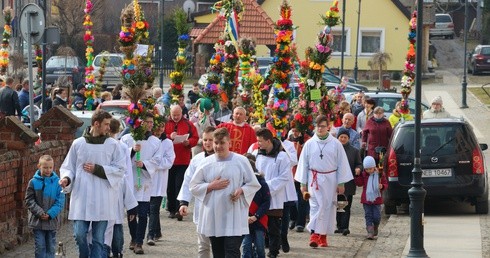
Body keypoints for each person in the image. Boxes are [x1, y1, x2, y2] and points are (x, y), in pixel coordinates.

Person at [59, 109, 126, 258]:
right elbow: (69, 167)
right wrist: (66, 179)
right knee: (79, 235)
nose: (109, 127)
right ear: (96, 124)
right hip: (82, 195)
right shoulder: (79, 143)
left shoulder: (112, 145)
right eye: (106, 124)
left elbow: (120, 169)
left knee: (98, 239)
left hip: (103, 197)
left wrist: (98, 169)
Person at [189, 127, 261, 258]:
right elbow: (193, 186)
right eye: (216, 143)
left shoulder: (241, 161)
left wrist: (242, 190)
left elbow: (253, 184)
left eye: (222, 143)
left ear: (229, 143)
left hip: (234, 214)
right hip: (214, 215)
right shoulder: (206, 163)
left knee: (232, 251)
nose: (218, 146)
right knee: (218, 253)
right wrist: (210, 186)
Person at [294, 115, 353, 248]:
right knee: (315, 206)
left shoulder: (336, 144)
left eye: (322, 126)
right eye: (318, 126)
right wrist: (303, 184)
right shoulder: (309, 144)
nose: (320, 129)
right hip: (313, 179)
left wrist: (341, 183)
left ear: (328, 127)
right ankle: (314, 235)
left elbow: (341, 164)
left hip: (330, 180)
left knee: (327, 207)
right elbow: (303, 164)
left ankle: (323, 236)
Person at [120, 112, 164, 254]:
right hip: (130, 180)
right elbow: (120, 156)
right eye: (147, 121)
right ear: (140, 122)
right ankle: (134, 237)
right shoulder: (127, 139)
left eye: (152, 122)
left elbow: (157, 160)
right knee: (132, 213)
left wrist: (144, 164)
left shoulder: (155, 142)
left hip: (145, 181)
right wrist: (131, 151)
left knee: (143, 214)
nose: (150, 124)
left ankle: (139, 242)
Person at [178, 126, 216, 258]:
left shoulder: (225, 159)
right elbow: (188, 180)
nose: (207, 143)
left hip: (220, 208)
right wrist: (184, 202)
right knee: (203, 245)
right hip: (202, 207)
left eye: (211, 139)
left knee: (218, 246)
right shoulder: (197, 159)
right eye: (205, 140)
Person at [254, 128, 291, 258]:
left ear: (268, 141)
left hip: (274, 196)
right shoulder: (257, 154)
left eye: (260, 141)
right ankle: (259, 248)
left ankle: (274, 251)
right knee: (258, 225)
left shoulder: (282, 156)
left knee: (273, 227)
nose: (258, 144)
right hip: (259, 196)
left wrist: (266, 186)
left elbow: (284, 177)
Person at [105, 118, 138, 258]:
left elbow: (125, 170)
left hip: (118, 184)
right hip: (103, 204)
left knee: (117, 239)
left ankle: (117, 253)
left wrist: (131, 207)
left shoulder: (121, 147)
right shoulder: (104, 147)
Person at [25, 155, 65, 258]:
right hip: (37, 221)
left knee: (51, 246)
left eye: (50, 167)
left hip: (52, 221)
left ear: (53, 167)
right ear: (39, 166)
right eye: (45, 167)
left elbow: (60, 200)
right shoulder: (33, 182)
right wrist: (40, 212)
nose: (48, 170)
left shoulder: (58, 183)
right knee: (40, 246)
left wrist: (50, 213)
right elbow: (29, 200)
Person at [164, 105, 199, 220]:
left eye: (177, 115)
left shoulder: (188, 124)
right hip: (169, 160)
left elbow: (196, 138)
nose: (175, 117)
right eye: (173, 115)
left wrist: (188, 142)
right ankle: (171, 209)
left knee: (180, 185)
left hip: (183, 159)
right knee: (170, 186)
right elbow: (161, 136)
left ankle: (180, 208)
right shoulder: (166, 123)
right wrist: (170, 137)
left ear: (181, 113)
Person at [147, 118, 175, 246]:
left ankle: (151, 234)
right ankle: (157, 232)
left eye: (162, 126)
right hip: (147, 178)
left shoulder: (168, 143)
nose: (159, 129)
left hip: (159, 180)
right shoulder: (148, 141)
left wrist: (153, 164)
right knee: (150, 209)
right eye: (157, 126)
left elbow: (169, 162)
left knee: (154, 208)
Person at [241, 154, 270, 258]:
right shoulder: (241, 183)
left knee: (260, 247)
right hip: (246, 220)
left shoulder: (262, 184)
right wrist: (246, 217)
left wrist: (256, 216)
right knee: (246, 246)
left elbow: (266, 202)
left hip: (259, 220)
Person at [335, 128, 362, 236]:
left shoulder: (354, 151)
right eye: (341, 137)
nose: (343, 139)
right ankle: (339, 226)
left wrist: (358, 168)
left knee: (347, 205)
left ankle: (345, 227)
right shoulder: (334, 150)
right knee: (337, 205)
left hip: (349, 182)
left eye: (345, 137)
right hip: (335, 182)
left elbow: (359, 163)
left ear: (348, 139)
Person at [354, 156, 388, 240]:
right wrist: (357, 176)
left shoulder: (379, 174)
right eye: (366, 169)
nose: (368, 171)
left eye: (370, 169)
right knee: (368, 215)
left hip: (376, 200)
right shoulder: (364, 175)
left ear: (374, 167)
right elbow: (359, 184)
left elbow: (385, 184)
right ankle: (370, 231)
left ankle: (375, 226)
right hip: (366, 199)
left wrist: (382, 186)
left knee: (377, 216)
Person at [287, 127, 311, 233]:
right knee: (291, 198)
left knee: (302, 198)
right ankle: (293, 218)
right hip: (291, 173)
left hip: (302, 172)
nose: (295, 133)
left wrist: (301, 145)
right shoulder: (288, 141)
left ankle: (300, 223)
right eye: (293, 130)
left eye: (297, 130)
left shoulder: (307, 141)